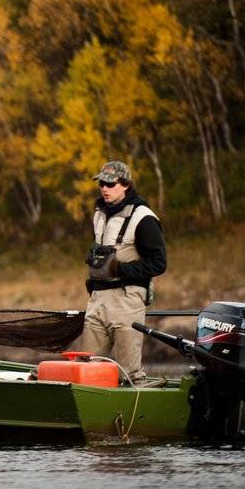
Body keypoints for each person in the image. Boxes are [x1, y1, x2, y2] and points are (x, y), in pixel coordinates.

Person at [79, 160, 166, 383]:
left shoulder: (144, 217)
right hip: (98, 300)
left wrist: (121, 269)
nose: (104, 188)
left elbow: (159, 263)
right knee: (85, 366)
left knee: (128, 373)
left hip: (127, 301)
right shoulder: (98, 214)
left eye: (110, 184)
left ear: (126, 184)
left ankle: (137, 412)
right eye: (101, 184)